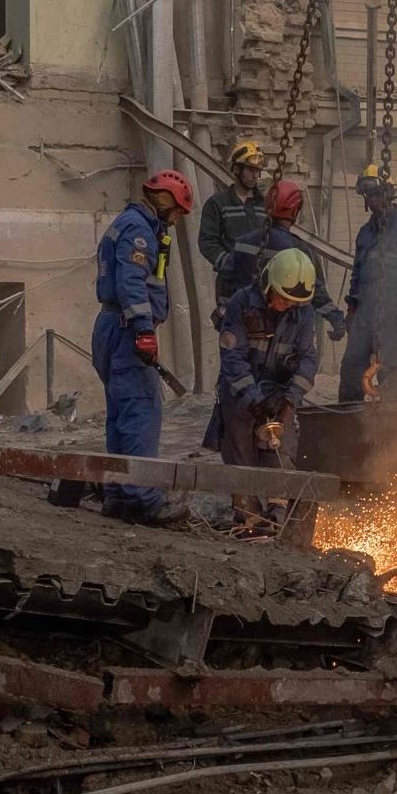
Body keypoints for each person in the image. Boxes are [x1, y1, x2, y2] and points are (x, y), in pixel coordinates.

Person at [92, 169, 194, 525]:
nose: (178, 219)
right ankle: (145, 497)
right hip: (126, 331)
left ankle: (118, 495)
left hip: (111, 327)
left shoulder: (128, 222)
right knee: (141, 411)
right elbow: (131, 282)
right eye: (178, 211)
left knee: (120, 415)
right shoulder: (138, 230)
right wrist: (144, 330)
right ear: (165, 202)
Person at [204, 248, 318, 532]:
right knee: (241, 454)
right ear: (268, 286)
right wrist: (253, 401)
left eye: (294, 302)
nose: (288, 306)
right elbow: (233, 359)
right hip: (240, 394)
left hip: (279, 393)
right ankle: (247, 519)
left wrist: (290, 401)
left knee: (280, 451)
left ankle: (278, 516)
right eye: (283, 299)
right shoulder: (241, 304)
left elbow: (308, 360)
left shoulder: (303, 313)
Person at [219, 179, 347, 342]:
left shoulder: (242, 243)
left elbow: (225, 281)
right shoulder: (300, 251)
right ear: (295, 212)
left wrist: (224, 314)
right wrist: (335, 319)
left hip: (245, 328)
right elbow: (315, 291)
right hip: (284, 333)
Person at [338, 166, 397, 402]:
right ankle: (349, 427)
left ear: (389, 193)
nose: (373, 200)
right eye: (369, 196)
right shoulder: (365, 233)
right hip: (365, 314)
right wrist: (352, 309)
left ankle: (393, 432)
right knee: (350, 371)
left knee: (392, 377)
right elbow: (357, 274)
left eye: (377, 194)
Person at [199, 141, 267, 315]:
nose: (255, 176)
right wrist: (230, 263)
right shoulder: (218, 204)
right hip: (230, 286)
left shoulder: (265, 205)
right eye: (250, 170)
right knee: (232, 336)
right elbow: (207, 241)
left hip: (261, 285)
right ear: (236, 169)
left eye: (257, 171)